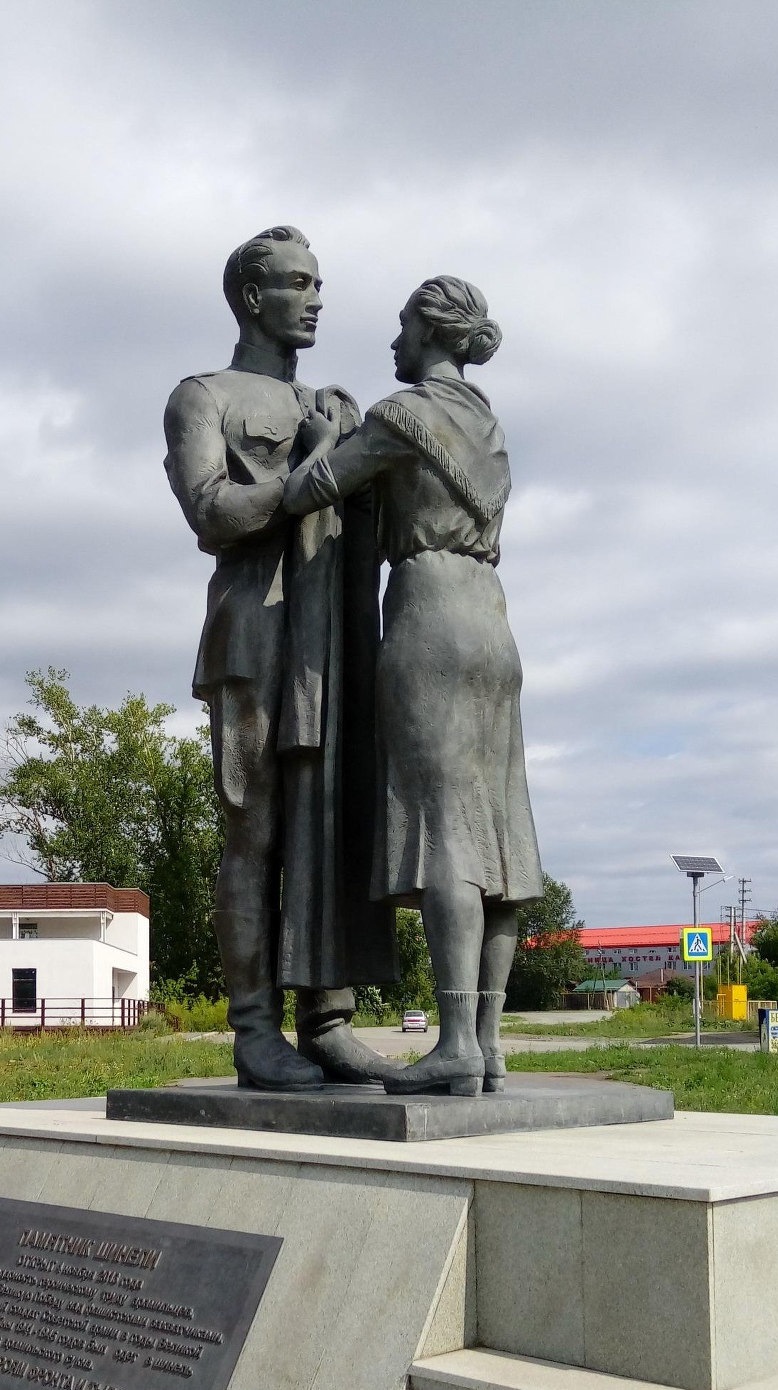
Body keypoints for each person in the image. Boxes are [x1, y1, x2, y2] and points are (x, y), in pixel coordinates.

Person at [282, 275, 543, 1094]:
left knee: (446, 833)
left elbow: (306, 493)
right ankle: (488, 1043)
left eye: (402, 329)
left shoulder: (402, 416)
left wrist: (325, 438)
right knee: (498, 837)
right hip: (494, 622)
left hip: (429, 611)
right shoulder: (489, 425)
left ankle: (456, 1039)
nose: (393, 345)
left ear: (431, 333)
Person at [164, 227, 395, 1090]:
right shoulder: (202, 396)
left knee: (329, 826)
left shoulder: (336, 404)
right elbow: (211, 512)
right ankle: (256, 1029)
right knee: (254, 831)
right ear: (251, 298)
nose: (315, 297)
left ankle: (328, 1022)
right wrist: (311, 477)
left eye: (319, 282)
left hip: (333, 637)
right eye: (297, 283)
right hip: (255, 632)